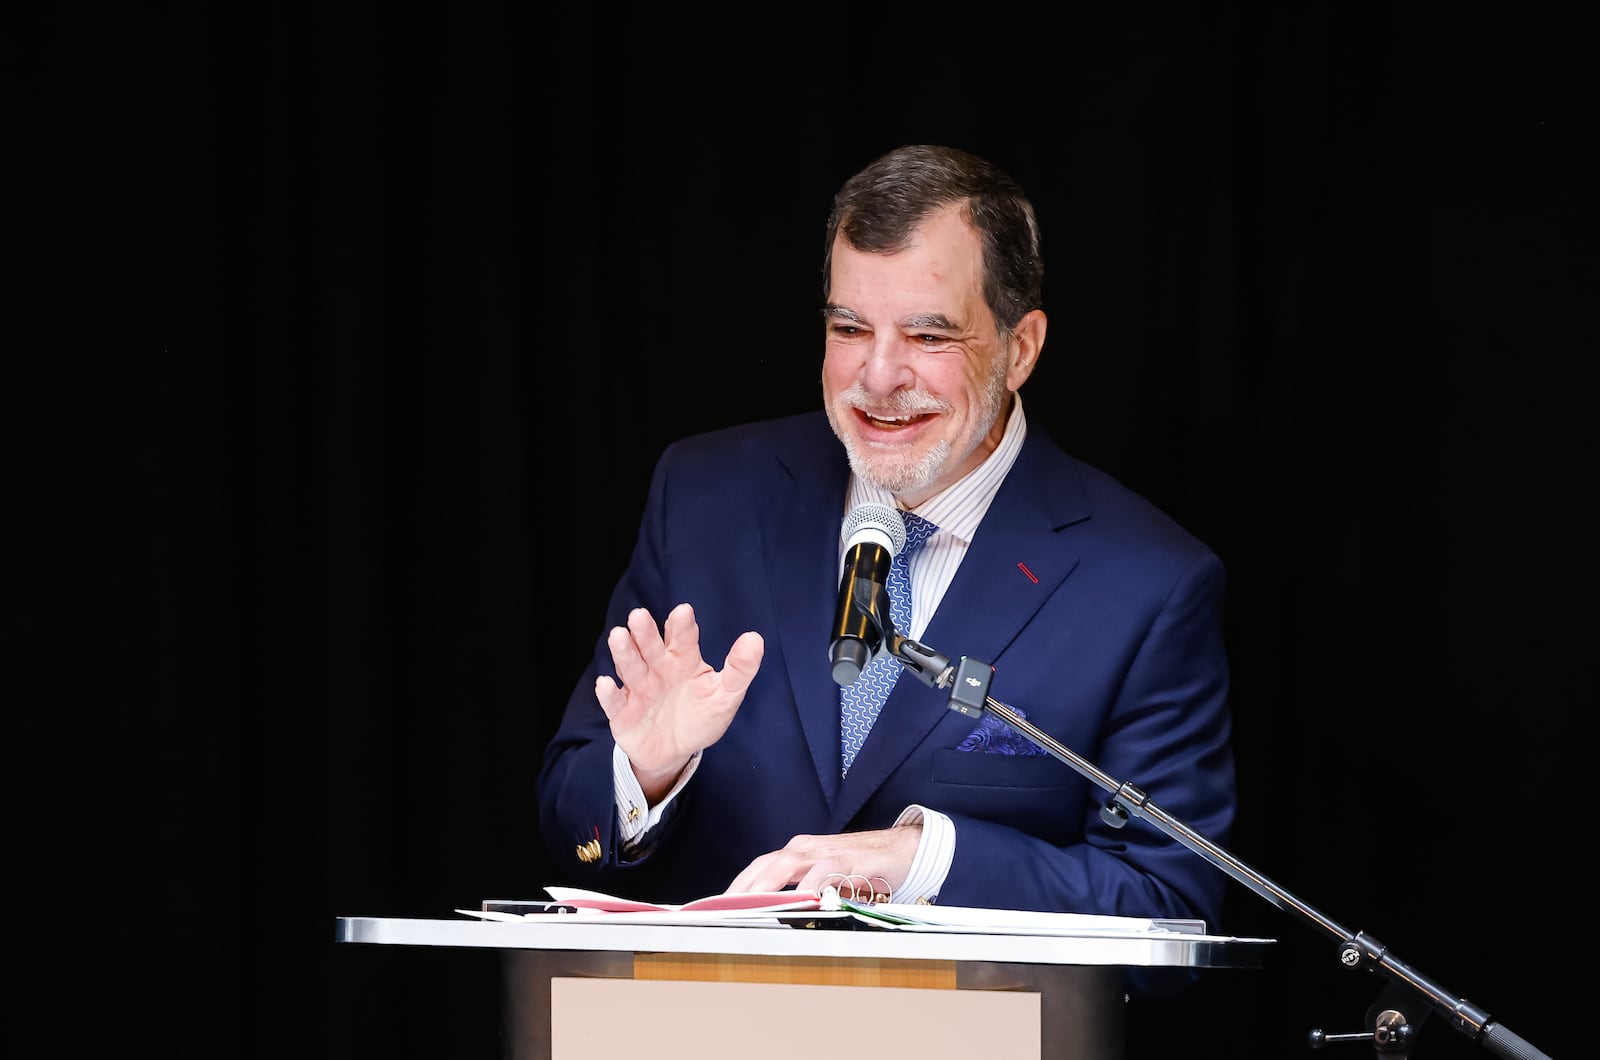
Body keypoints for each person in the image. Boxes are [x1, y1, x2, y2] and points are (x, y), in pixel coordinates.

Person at [537, 144, 1235, 935]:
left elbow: (1169, 903)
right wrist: (646, 772)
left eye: (929, 337)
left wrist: (922, 862)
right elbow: (575, 831)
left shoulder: (1145, 583)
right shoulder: (706, 499)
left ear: (1021, 348)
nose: (877, 376)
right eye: (849, 327)